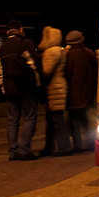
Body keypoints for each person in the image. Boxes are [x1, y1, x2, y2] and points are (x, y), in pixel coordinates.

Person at [0, 20, 42, 161]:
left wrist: (4, 88)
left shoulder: (2, 48)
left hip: (10, 88)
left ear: (7, 32)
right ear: (20, 30)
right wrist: (38, 83)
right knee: (29, 116)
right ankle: (24, 148)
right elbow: (34, 65)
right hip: (26, 86)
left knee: (12, 120)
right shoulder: (26, 43)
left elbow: (0, 71)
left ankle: (13, 151)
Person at [38, 26, 73, 157]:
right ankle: (52, 146)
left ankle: (64, 147)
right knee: (54, 119)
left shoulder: (51, 52)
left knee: (57, 119)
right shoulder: (61, 50)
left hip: (54, 88)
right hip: (59, 86)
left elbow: (46, 71)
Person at [64, 30, 98, 153]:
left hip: (74, 93)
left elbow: (67, 74)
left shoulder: (69, 55)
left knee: (75, 120)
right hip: (87, 91)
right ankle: (91, 142)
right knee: (86, 119)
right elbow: (95, 72)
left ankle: (77, 145)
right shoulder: (88, 53)